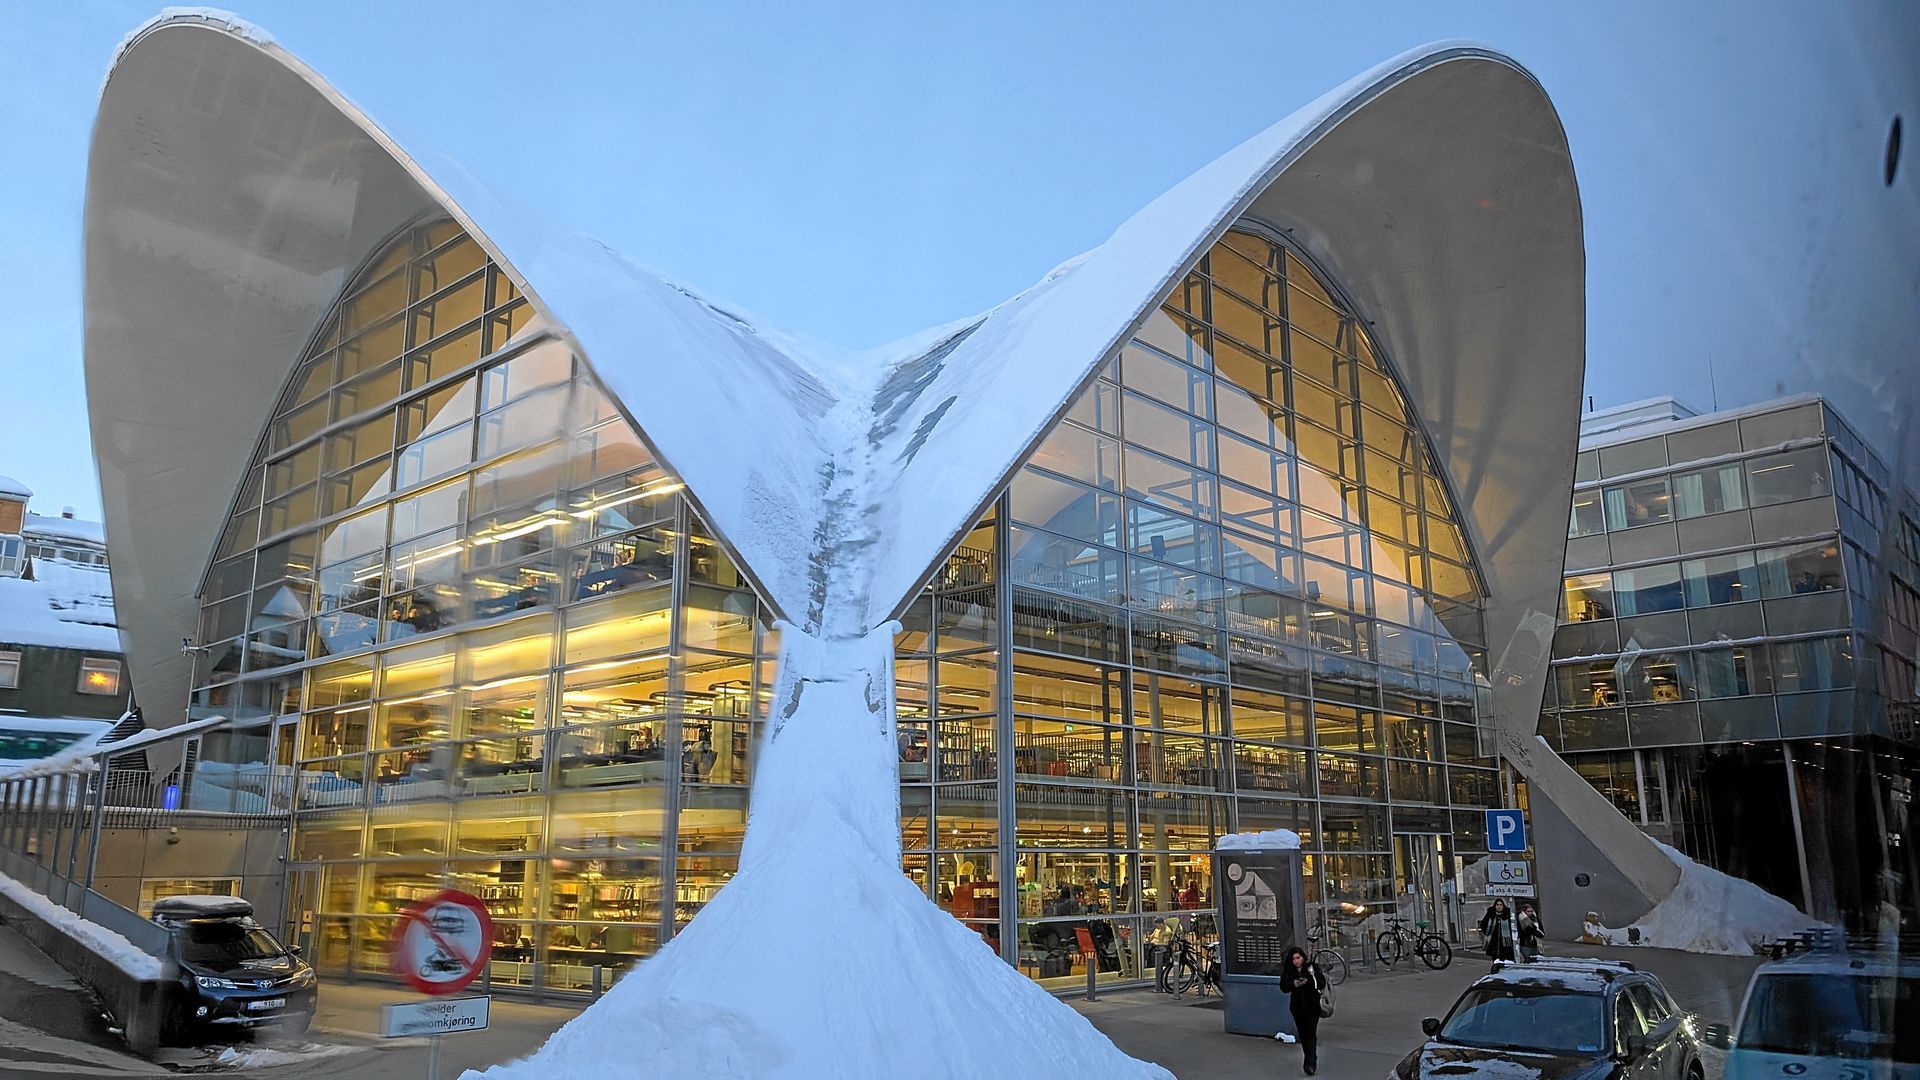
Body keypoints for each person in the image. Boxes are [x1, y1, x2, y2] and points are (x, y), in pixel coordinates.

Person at [1280, 946, 1327, 1075]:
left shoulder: (1311, 968)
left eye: (1298, 958)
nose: (1296, 961)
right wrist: (1294, 984)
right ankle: (1310, 1056)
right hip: (1297, 1008)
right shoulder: (1289, 971)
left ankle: (1309, 1062)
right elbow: (1283, 987)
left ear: (1303, 957)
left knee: (1311, 1033)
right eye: (1294, 959)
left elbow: (1321, 983)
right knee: (1303, 1035)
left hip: (1312, 1007)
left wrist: (1309, 981)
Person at [1479, 898, 1517, 967]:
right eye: (1497, 905)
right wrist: (1487, 934)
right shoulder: (1491, 915)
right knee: (1496, 962)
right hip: (1494, 943)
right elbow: (1483, 924)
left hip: (1506, 944)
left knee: (1506, 963)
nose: (1499, 907)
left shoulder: (1507, 915)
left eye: (1501, 905)